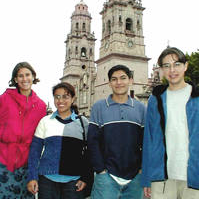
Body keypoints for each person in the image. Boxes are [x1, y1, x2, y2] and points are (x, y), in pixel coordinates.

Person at [141, 47, 199, 199]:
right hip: (162, 178)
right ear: (161, 69)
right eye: (166, 66)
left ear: (186, 66)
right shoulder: (156, 99)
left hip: (194, 176)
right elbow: (149, 139)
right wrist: (147, 177)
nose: (172, 70)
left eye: (177, 64)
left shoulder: (197, 97)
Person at [88, 64, 146, 199]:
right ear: (109, 83)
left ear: (130, 80)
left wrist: (142, 169)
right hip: (106, 178)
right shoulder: (99, 107)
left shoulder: (141, 108)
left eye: (123, 78)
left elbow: (146, 142)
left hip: (135, 178)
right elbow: (92, 141)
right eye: (114, 79)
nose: (118, 82)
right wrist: (100, 170)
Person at [27, 82, 93, 199]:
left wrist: (85, 178)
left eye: (65, 96)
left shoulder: (83, 123)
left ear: (73, 99)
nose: (60, 100)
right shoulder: (45, 121)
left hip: (74, 182)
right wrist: (32, 177)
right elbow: (35, 152)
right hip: (47, 182)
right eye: (57, 96)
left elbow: (89, 153)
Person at [0, 62, 46, 198]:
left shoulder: (41, 106)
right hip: (3, 159)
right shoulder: (4, 99)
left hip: (27, 162)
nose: (24, 79)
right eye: (20, 76)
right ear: (15, 79)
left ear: (33, 77)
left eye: (27, 75)